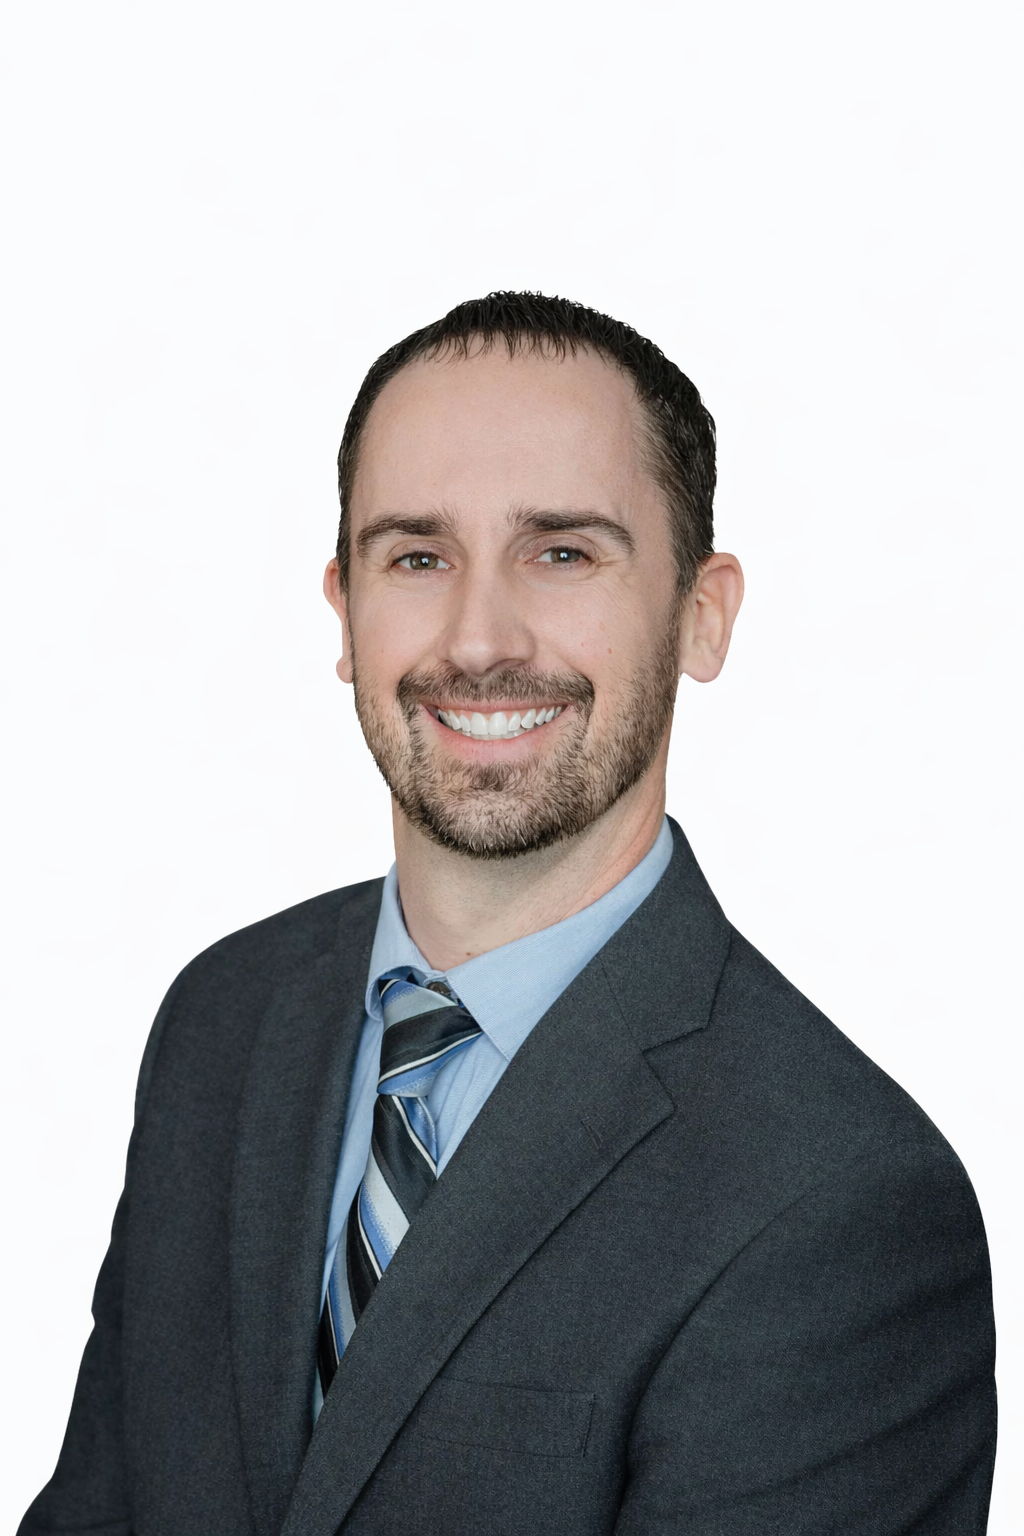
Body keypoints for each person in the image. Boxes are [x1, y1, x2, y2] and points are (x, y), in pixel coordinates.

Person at [20, 292, 996, 1536]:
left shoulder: (840, 1196)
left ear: (703, 615)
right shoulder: (222, 1019)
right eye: (417, 557)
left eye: (563, 552)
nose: (477, 640)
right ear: (343, 610)